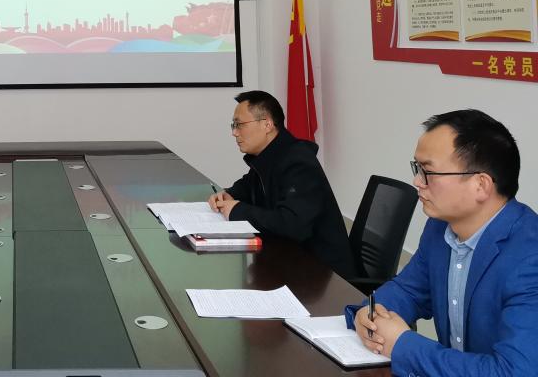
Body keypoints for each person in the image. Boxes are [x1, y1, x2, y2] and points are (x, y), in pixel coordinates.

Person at [348, 109, 538, 376]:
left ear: (481, 185)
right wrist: (368, 314)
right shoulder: (440, 228)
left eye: (428, 171)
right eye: (417, 168)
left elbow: (514, 372)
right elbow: (408, 291)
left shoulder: (530, 257)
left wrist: (403, 344)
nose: (417, 181)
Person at [208, 90, 355, 278]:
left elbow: (292, 224)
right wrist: (229, 194)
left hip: (324, 276)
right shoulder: (270, 156)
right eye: (233, 125)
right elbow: (247, 186)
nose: (234, 132)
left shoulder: (298, 162)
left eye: (239, 125)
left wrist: (237, 210)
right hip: (291, 261)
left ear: (267, 124)